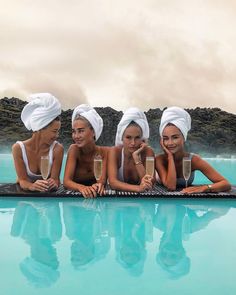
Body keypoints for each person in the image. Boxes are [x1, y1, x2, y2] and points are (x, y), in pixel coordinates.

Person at [155, 106, 231, 193]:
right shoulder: (159, 160)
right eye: (166, 138)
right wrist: (170, 157)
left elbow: (225, 183)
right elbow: (171, 186)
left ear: (184, 138)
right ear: (162, 141)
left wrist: (205, 188)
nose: (170, 143)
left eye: (175, 137)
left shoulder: (194, 160)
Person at [12, 93, 64, 192]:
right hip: (26, 205)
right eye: (54, 131)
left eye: (58, 131)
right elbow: (22, 180)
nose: (57, 136)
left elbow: (56, 180)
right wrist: (31, 186)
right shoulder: (18, 149)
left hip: (47, 204)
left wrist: (54, 182)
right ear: (40, 128)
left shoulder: (57, 149)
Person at [63, 104, 108, 198]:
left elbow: (101, 181)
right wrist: (81, 188)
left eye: (81, 131)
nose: (76, 136)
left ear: (93, 132)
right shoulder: (74, 150)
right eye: (74, 131)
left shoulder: (104, 152)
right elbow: (66, 182)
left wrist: (99, 185)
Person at [108, 107, 154, 192]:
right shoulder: (115, 152)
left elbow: (150, 183)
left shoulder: (148, 152)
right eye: (128, 137)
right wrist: (138, 188)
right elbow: (113, 183)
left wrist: (136, 157)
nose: (133, 143)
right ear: (121, 137)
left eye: (137, 138)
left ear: (142, 138)